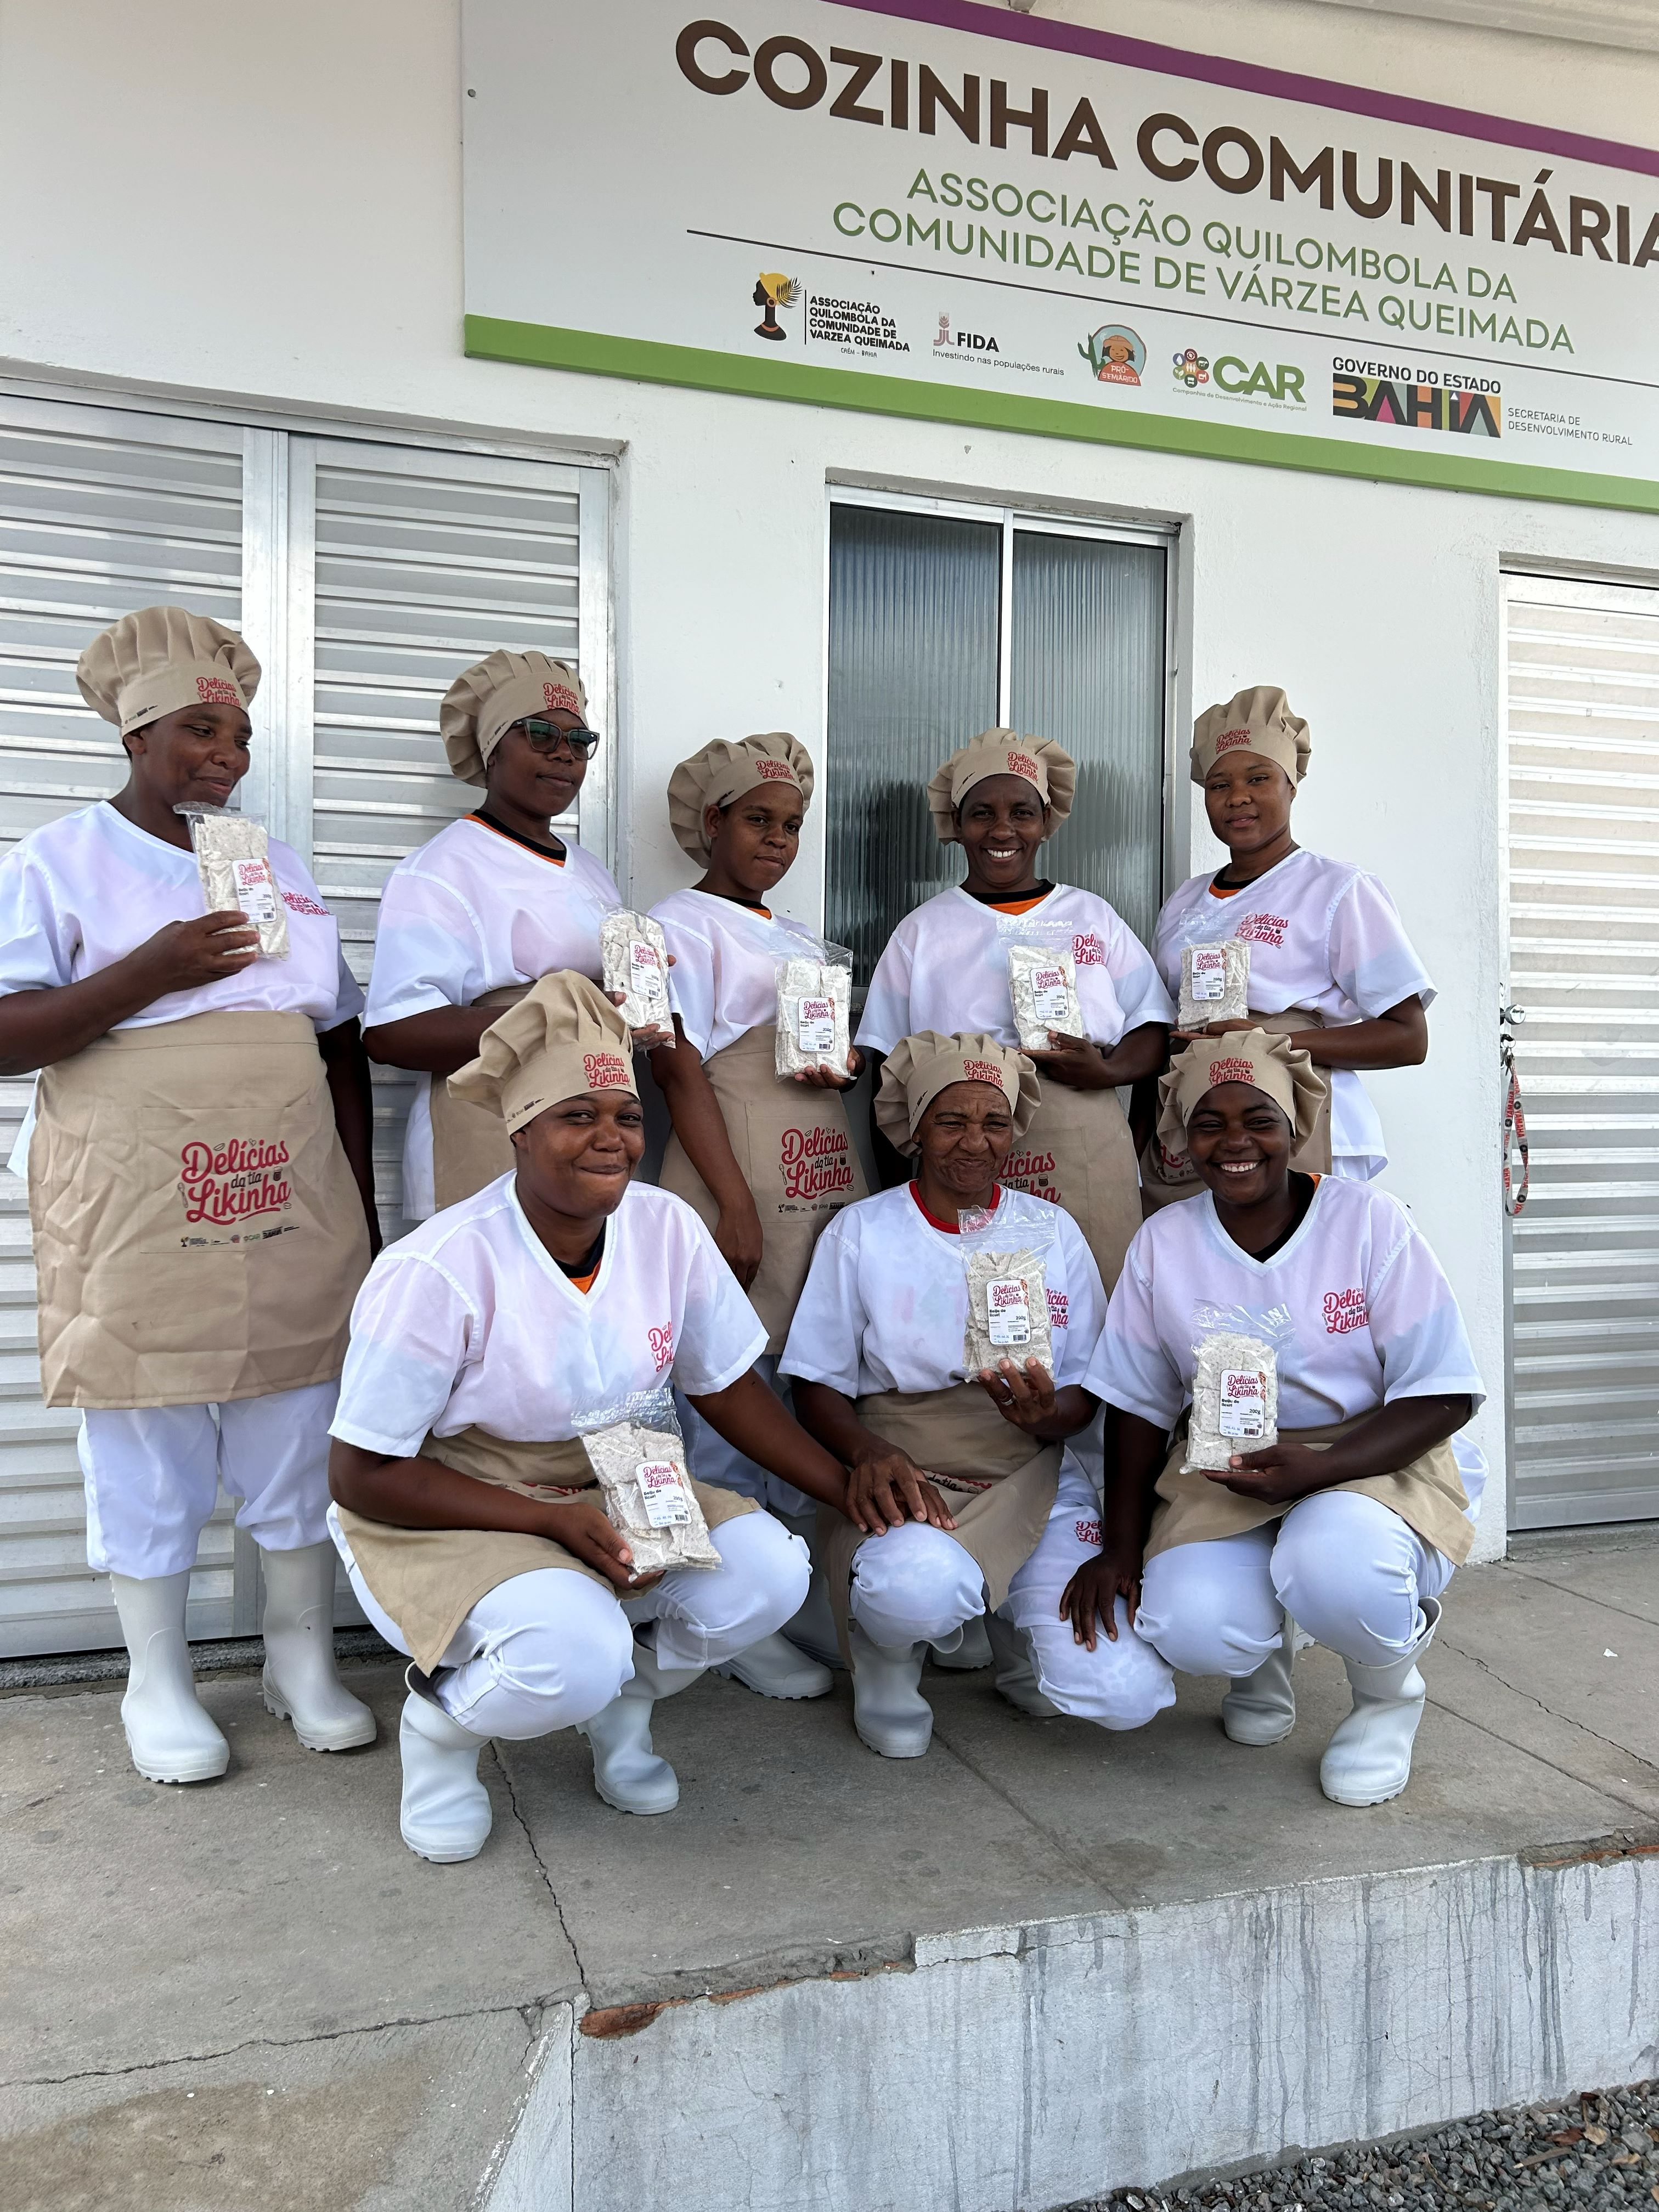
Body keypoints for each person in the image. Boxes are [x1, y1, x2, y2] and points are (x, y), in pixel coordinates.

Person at [325, 974, 881, 1864]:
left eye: (625, 1115)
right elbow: (361, 1476)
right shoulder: (440, 1268)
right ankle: (443, 1731)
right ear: (519, 1130)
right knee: (573, 1649)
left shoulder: (665, 1227)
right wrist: (546, 1520)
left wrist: (843, 1487)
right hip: (456, 1500)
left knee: (770, 1574)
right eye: (575, 1115)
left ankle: (625, 1705)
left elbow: (725, 1387)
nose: (611, 1138)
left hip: (613, 1479)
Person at [0, 607, 380, 1784]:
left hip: (288, 1181)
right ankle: (156, 1680)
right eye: (200, 730)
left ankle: (297, 1657)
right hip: (133, 1189)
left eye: (240, 735)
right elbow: (8, 1034)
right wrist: (152, 969)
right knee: (146, 1413)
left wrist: (356, 1200)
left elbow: (340, 1033)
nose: (226, 755)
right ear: (135, 736)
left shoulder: (272, 866)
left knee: (295, 1414)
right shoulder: (57, 860)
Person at [1079, 1029, 1484, 1806]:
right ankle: (1262, 1661)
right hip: (1226, 1465)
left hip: (1369, 1455)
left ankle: (1386, 1699)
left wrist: (1327, 1468)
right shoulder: (1165, 1240)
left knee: (1334, 1563)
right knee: (1190, 1622)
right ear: (1182, 1138)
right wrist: (1121, 1547)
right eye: (1209, 1123)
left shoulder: (1370, 1222)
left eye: (1259, 1119)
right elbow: (1135, 1403)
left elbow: (1444, 1392)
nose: (1235, 1142)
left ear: (1296, 1125)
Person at [780, 1031, 1175, 1759]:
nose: (974, 1141)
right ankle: (886, 1661)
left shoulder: (1050, 1230)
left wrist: (1048, 1416)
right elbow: (816, 1382)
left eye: (994, 1122)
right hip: (906, 1469)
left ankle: (1020, 1641)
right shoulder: (864, 1230)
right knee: (915, 1592)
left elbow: (1089, 1387)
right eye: (951, 1121)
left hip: (1032, 1465)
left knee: (1125, 1693)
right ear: (915, 1128)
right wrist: (867, 1452)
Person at [650, 733, 865, 1702]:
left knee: (796, 1375)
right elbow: (676, 1067)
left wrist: (839, 1064)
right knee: (728, 1381)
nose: (776, 839)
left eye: (790, 825)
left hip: (813, 1165)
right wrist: (731, 1200)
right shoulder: (674, 926)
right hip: (734, 1165)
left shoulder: (800, 936)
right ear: (711, 824)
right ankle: (728, 1610)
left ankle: (795, 1585)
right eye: (756, 820)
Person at [857, 730, 1171, 1295]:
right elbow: (883, 1063)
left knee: (1093, 1295)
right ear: (957, 823)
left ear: (1046, 820)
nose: (1002, 830)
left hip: (1082, 1132)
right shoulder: (922, 931)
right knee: (977, 1304)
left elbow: (1152, 1026)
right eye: (982, 813)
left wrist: (1107, 1071)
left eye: (1022, 812)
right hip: (963, 1147)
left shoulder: (1091, 915)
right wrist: (894, 1191)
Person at [363, 650, 669, 1218]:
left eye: (579, 741)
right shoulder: (443, 868)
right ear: (492, 750)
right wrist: (559, 1016)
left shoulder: (589, 870)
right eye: (539, 734)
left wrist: (636, 1001)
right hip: (490, 1122)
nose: (564, 753)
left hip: (584, 1121)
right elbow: (392, 1033)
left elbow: (598, 1005)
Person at [1142, 686, 1432, 1204]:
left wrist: (1268, 1041)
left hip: (1302, 1119)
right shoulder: (1183, 902)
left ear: (1292, 785)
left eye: (1259, 778)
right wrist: (1137, 1144)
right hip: (1201, 1124)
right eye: (1219, 784)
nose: (1238, 797)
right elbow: (1161, 1032)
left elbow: (1408, 1038)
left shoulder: (1338, 889)